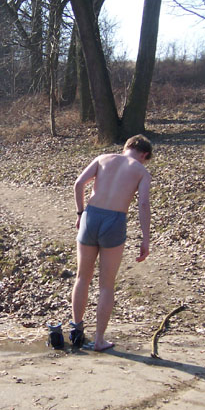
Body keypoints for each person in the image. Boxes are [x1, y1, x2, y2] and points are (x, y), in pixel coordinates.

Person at [70, 134, 152, 352]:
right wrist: (145, 238)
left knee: (82, 277)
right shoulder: (141, 171)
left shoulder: (103, 158)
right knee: (106, 285)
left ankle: (76, 332)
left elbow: (79, 184)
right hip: (115, 220)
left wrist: (80, 213)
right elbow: (143, 204)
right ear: (143, 154)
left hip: (91, 215)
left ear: (126, 147)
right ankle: (99, 340)